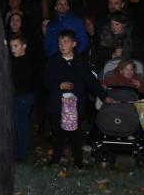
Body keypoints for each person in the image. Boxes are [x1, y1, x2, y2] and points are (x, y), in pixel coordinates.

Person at [42, 30, 108, 168]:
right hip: (57, 105)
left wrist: (104, 96)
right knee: (58, 135)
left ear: (74, 44)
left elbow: (91, 81)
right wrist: (59, 85)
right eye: (60, 42)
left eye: (65, 42)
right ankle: (55, 159)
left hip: (75, 105)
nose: (62, 45)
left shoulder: (80, 62)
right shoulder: (54, 61)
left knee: (76, 135)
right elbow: (46, 80)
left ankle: (78, 161)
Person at [9, 34, 37, 163]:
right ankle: (15, 151)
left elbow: (26, 80)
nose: (13, 49)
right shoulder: (12, 61)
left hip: (25, 97)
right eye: (11, 46)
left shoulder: (28, 61)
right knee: (14, 124)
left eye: (16, 46)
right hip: (15, 97)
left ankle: (22, 153)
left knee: (21, 125)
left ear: (24, 46)